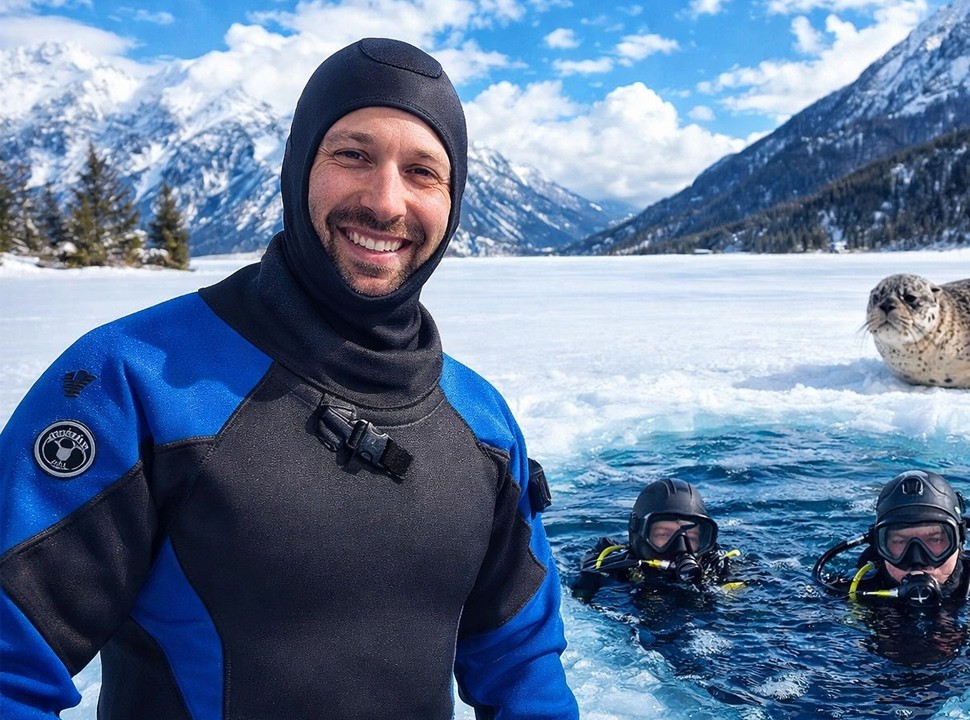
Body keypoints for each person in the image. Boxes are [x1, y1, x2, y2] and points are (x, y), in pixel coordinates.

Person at [0, 39, 577, 719]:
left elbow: (523, 672)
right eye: (353, 155)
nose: (386, 202)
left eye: (423, 171)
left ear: (451, 201)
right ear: (298, 167)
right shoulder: (128, 383)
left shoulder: (482, 424)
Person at [813, 470, 970, 607]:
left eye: (935, 540)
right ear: (879, 547)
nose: (919, 560)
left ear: (960, 540)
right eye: (900, 542)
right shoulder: (855, 594)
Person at [572, 479, 741, 602]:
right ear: (639, 534)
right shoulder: (609, 575)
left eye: (691, 537)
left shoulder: (719, 571)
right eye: (664, 535)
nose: (680, 546)